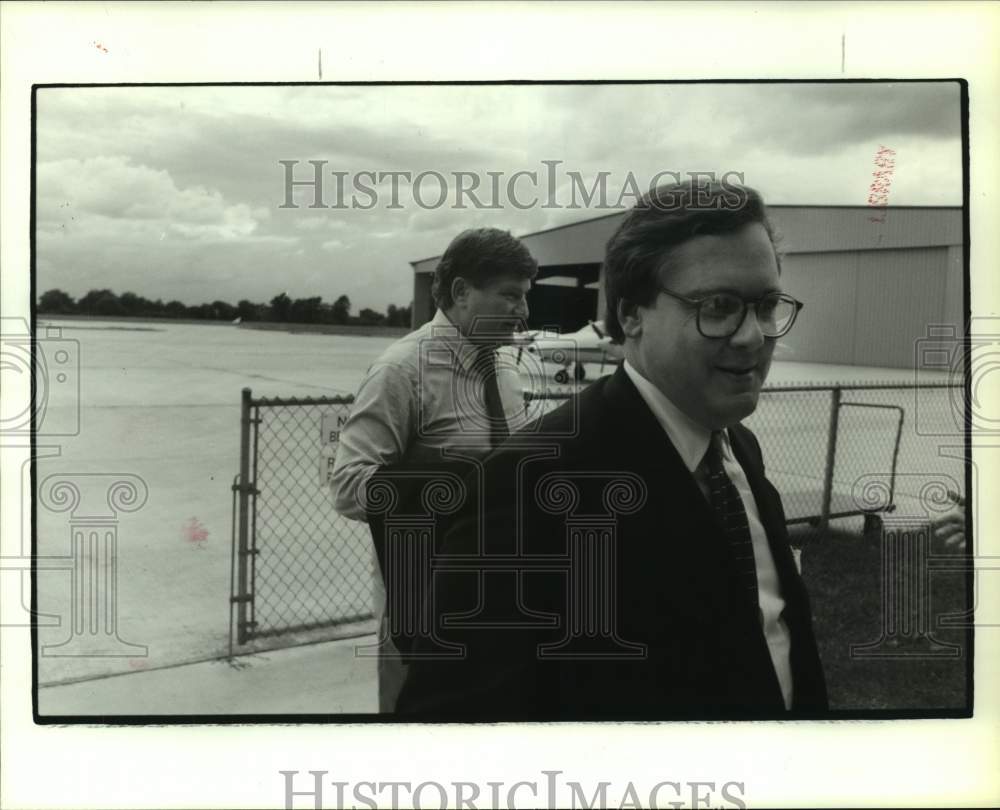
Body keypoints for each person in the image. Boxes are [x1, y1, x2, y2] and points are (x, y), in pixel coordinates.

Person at [396, 180, 829, 719]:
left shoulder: (739, 449)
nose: (752, 336)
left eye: (765, 305)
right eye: (718, 307)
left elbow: (774, 632)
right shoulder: (528, 485)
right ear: (631, 316)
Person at [330, 226, 538, 712]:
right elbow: (348, 485)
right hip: (425, 609)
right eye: (510, 296)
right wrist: (456, 480)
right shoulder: (401, 370)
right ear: (462, 292)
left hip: (502, 596)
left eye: (525, 297)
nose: (524, 312)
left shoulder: (504, 368)